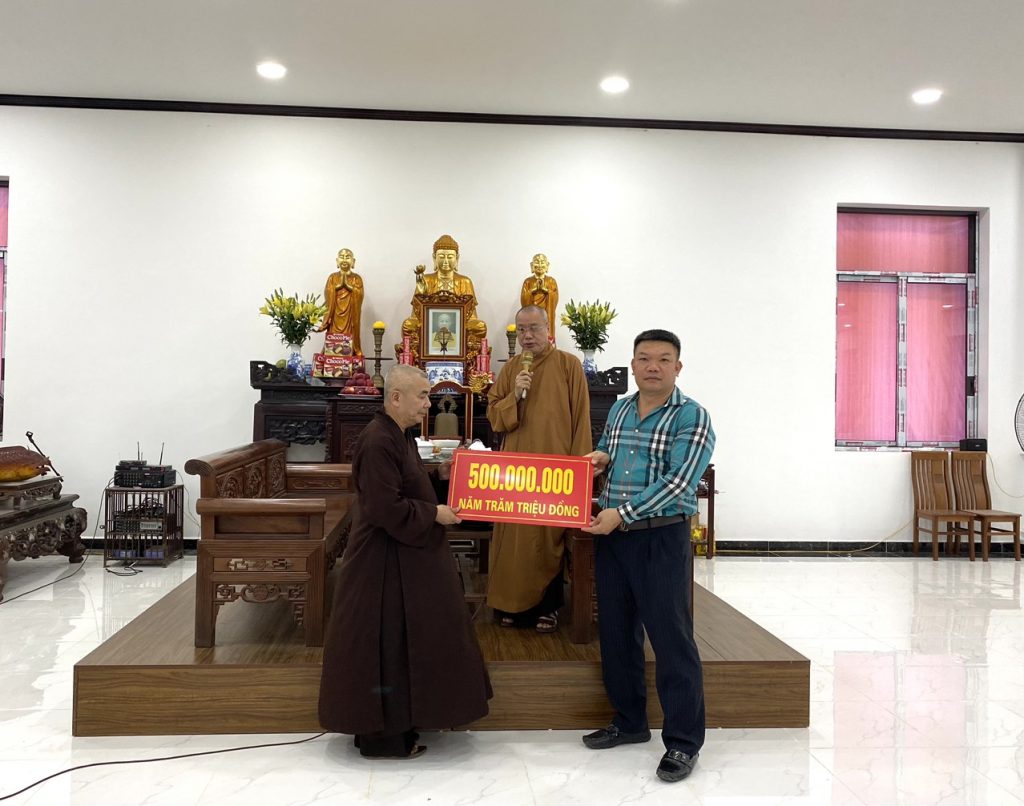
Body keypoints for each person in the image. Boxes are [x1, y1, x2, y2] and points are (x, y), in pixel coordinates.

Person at [318, 364, 491, 758]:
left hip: (404, 558)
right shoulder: (377, 440)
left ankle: (408, 723)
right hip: (382, 563)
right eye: (423, 396)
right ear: (396, 398)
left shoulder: (398, 435)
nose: (429, 404)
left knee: (409, 641)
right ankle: (384, 737)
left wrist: (440, 475)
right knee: (387, 645)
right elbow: (385, 507)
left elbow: (408, 484)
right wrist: (434, 514)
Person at [581, 328, 715, 784]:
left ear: (678, 367)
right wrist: (600, 458)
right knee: (617, 634)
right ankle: (629, 722)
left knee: (671, 638)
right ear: (633, 364)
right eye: (643, 358)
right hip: (613, 537)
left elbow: (679, 483)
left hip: (660, 537)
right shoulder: (621, 408)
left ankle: (683, 742)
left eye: (662, 359)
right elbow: (611, 451)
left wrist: (621, 514)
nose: (652, 366)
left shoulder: (691, 416)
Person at [485, 305, 592, 632]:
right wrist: (515, 396)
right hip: (515, 472)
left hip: (555, 471)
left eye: (534, 328)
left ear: (548, 329)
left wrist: (580, 472)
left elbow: (581, 420)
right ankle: (509, 605)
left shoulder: (568, 365)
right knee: (513, 538)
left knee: (547, 539)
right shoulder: (511, 369)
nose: (527, 336)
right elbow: (494, 417)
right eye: (522, 329)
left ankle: (547, 607)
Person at [402, 234, 487, 347]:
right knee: (407, 325)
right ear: (434, 257)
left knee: (480, 327)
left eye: (450, 257)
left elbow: (472, 316)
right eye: (441, 256)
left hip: (460, 325)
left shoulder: (465, 281)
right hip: (429, 324)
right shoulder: (426, 280)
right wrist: (421, 293)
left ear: (457, 258)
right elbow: (415, 316)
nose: (446, 261)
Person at [318, 247, 365, 354]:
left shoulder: (357, 278)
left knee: (351, 332)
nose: (344, 259)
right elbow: (327, 292)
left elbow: (360, 294)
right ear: (337, 261)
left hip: (350, 314)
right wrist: (337, 287)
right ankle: (331, 353)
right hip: (335, 312)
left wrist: (348, 286)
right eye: (342, 257)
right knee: (333, 333)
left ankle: (352, 351)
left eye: (347, 257)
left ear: (353, 261)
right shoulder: (332, 277)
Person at [519, 253, 559, 344]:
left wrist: (546, 290)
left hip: (547, 314)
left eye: (542, 262)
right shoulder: (528, 282)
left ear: (547, 265)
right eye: (537, 262)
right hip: (532, 315)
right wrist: (533, 290)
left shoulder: (551, 281)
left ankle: (548, 347)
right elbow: (523, 299)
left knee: (545, 332)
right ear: (532, 265)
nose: (540, 265)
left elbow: (555, 297)